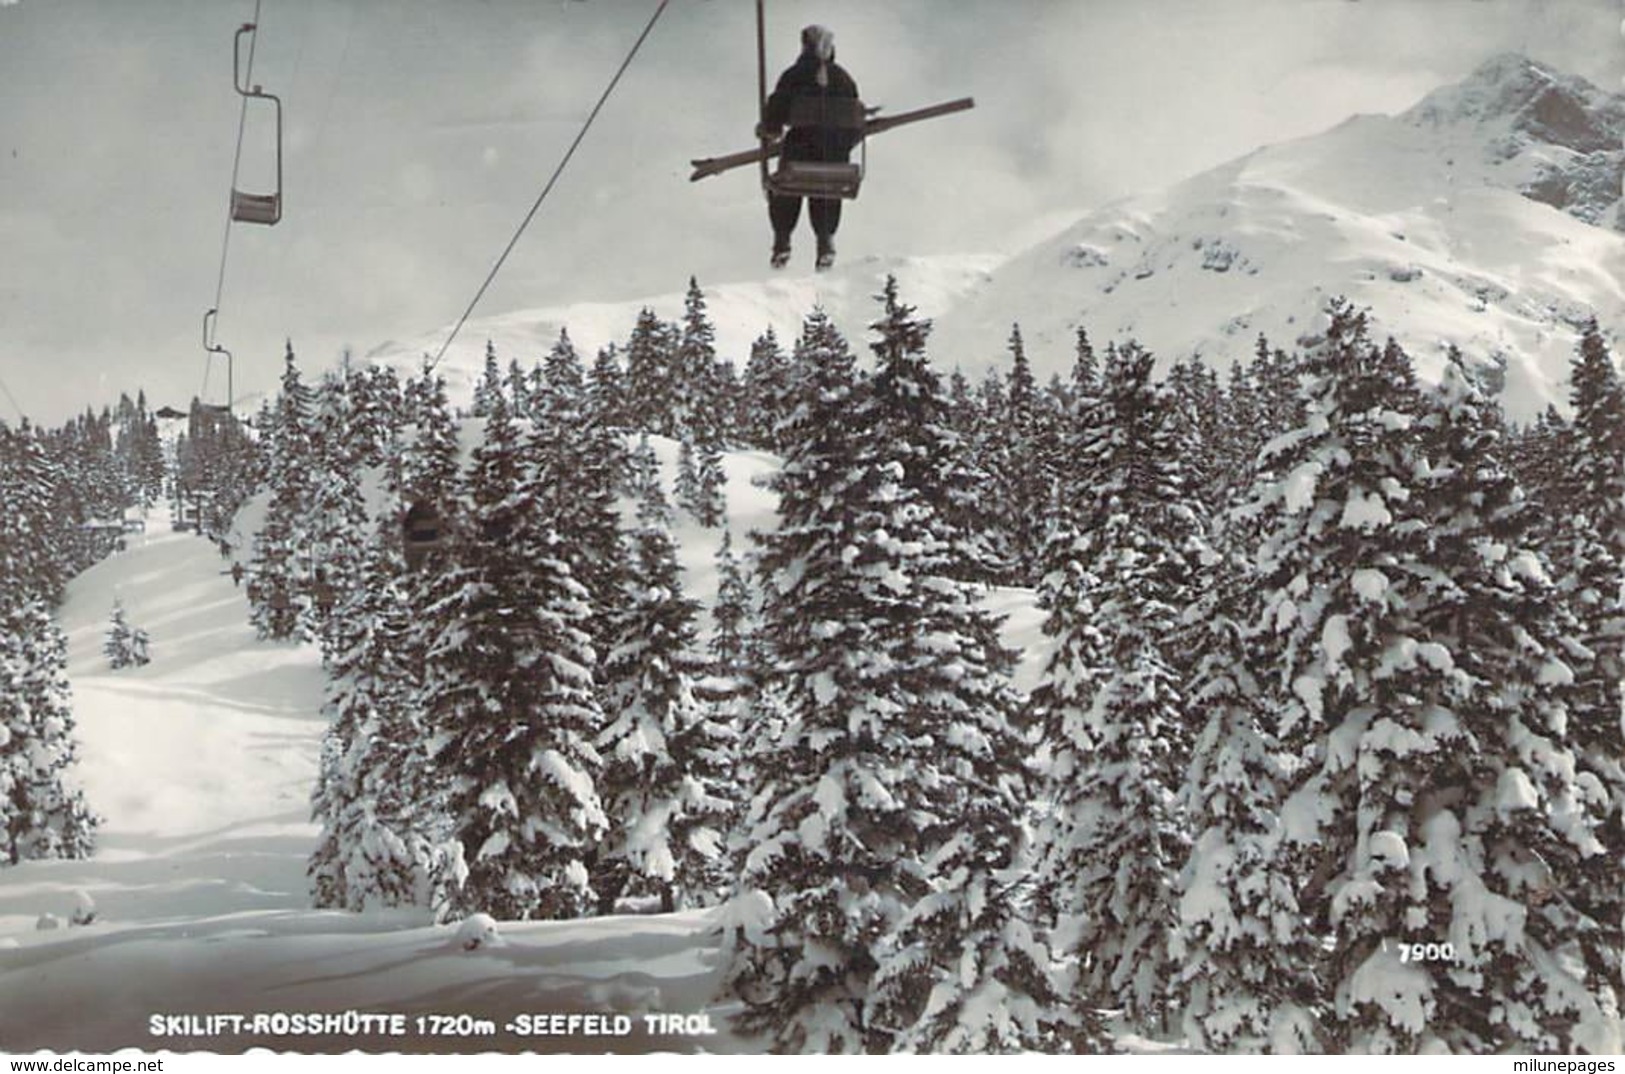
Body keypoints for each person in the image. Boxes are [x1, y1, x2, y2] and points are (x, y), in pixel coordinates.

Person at [757, 24, 860, 270]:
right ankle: (825, 240)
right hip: (835, 159)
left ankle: (782, 241)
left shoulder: (794, 75)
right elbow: (855, 122)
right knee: (825, 188)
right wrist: (843, 144)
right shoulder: (844, 79)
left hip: (799, 153)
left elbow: (777, 109)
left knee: (783, 186)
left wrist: (769, 130)